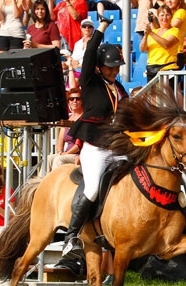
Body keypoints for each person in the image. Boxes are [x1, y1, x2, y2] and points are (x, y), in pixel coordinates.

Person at [62, 15, 129, 258]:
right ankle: (71, 236)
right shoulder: (91, 82)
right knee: (91, 189)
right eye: (110, 67)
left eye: (117, 67)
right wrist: (100, 27)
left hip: (117, 145)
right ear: (100, 68)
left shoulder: (120, 89)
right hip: (95, 148)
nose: (114, 71)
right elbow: (90, 53)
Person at [140, 4, 180, 83]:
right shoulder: (154, 32)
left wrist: (150, 33)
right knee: (152, 95)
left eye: (167, 15)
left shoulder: (174, 31)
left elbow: (166, 44)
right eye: (162, 15)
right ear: (158, 17)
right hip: (151, 69)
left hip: (167, 68)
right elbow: (142, 49)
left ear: (171, 16)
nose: (164, 18)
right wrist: (145, 36)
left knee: (166, 95)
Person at [47, 87, 83, 172]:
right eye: (71, 99)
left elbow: (79, 145)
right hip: (67, 153)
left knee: (59, 159)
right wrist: (60, 151)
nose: (74, 101)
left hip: (78, 154)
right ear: (68, 102)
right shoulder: (68, 119)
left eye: (77, 99)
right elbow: (60, 141)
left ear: (82, 101)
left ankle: (55, 183)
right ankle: (41, 182)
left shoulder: (84, 118)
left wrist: (65, 154)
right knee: (49, 158)